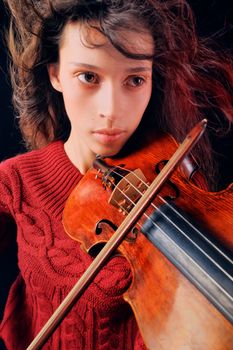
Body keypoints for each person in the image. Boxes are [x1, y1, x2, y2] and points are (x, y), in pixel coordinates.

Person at [0, 0, 232, 349]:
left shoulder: (175, 180)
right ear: (55, 73)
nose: (111, 110)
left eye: (135, 79)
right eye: (88, 77)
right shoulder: (16, 182)